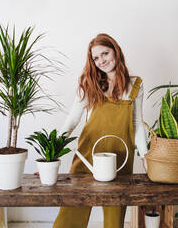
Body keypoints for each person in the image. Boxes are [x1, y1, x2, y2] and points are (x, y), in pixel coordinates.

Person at [53, 33, 147, 228]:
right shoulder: (90, 84)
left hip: (120, 160)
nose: (101, 61)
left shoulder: (135, 85)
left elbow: (137, 123)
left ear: (116, 51)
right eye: (96, 58)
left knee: (114, 220)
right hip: (88, 157)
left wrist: (146, 157)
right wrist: (52, 153)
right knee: (71, 215)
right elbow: (72, 120)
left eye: (105, 53)